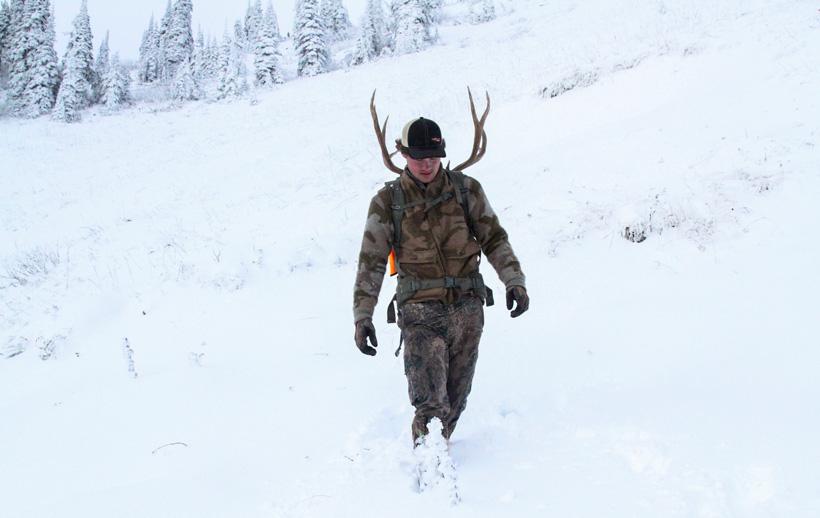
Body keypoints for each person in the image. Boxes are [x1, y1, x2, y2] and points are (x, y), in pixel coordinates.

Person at [353, 113, 529, 445]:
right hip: (419, 312)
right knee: (430, 405)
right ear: (404, 154)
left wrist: (513, 280)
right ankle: (429, 464)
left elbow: (494, 238)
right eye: (419, 157)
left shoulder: (466, 190)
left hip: (467, 310)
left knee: (455, 401)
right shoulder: (388, 202)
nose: (426, 164)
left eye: (433, 156)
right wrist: (363, 316)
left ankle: (439, 450)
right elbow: (371, 261)